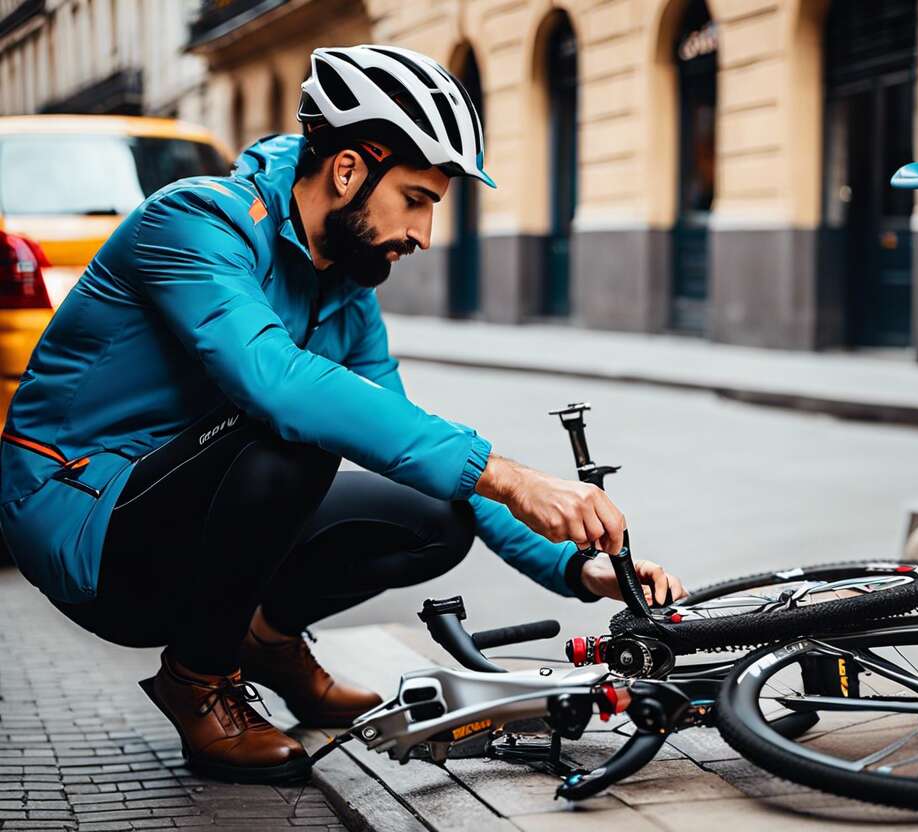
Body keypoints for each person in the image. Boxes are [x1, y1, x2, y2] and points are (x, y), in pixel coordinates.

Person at [0, 45, 686, 785]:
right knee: (290, 429)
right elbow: (275, 384)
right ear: (350, 169)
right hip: (86, 518)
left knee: (438, 508)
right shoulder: (198, 221)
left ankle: (266, 640)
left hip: (181, 506)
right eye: (417, 199)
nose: (423, 234)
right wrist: (514, 477)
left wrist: (580, 568)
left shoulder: (347, 296)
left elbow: (411, 436)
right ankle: (198, 683)